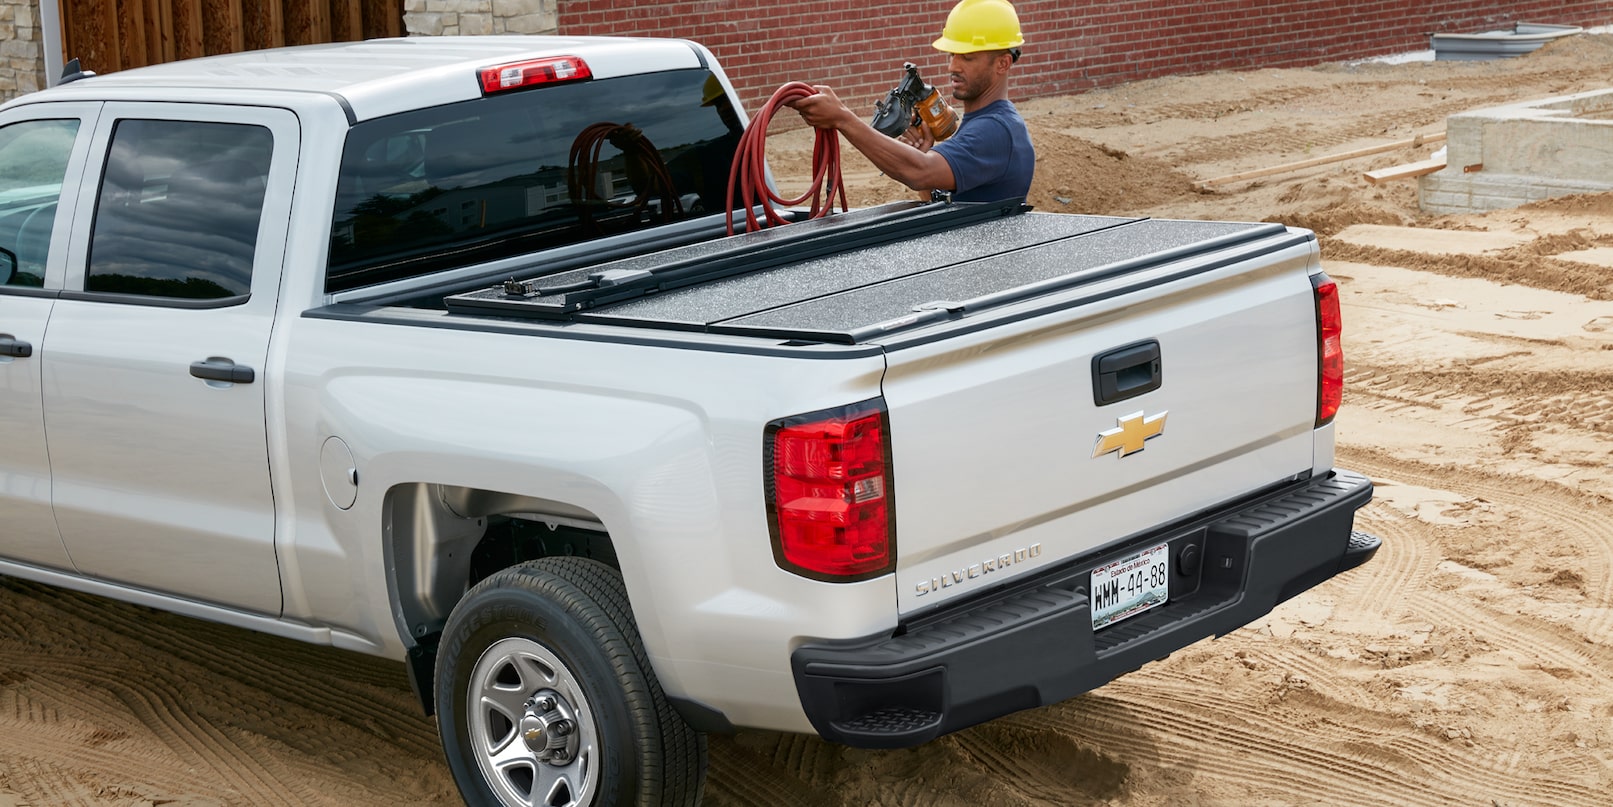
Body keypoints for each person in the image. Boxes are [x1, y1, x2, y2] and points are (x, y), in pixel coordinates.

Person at [790, 0, 1035, 203]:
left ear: (1002, 63)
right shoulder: (983, 124)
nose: (952, 66)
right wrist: (925, 158)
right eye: (952, 55)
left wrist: (842, 118)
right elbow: (936, 194)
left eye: (967, 57)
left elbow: (920, 172)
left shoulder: (997, 130)